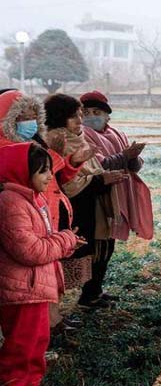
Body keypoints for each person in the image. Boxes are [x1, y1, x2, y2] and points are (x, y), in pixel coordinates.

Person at [0, 143, 84, 386]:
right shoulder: (10, 203)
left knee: (37, 344)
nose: (50, 176)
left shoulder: (32, 198)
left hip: (35, 287)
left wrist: (66, 242)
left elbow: (44, 242)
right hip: (22, 291)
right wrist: (65, 240)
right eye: (43, 171)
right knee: (21, 347)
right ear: (22, 172)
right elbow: (31, 251)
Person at [0, 90, 93, 331]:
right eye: (23, 117)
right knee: (31, 274)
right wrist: (57, 155)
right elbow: (28, 180)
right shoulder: (7, 149)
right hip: (25, 220)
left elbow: (53, 180)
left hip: (46, 214)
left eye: (34, 116)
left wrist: (72, 162)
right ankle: (42, 324)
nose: (30, 122)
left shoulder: (33, 143)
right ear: (7, 118)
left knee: (48, 270)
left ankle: (52, 318)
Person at [43, 94, 126, 309]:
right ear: (59, 117)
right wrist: (100, 180)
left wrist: (102, 178)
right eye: (75, 116)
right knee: (90, 252)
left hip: (92, 201)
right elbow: (66, 183)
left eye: (80, 115)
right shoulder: (56, 141)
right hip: (76, 207)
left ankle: (93, 292)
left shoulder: (77, 137)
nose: (81, 120)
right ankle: (84, 297)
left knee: (102, 248)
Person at [79, 90, 154, 304]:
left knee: (109, 245)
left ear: (107, 116)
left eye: (96, 112)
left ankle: (96, 290)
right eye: (86, 112)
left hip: (118, 194)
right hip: (98, 197)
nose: (91, 117)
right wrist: (124, 156)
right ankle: (89, 294)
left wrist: (133, 157)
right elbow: (98, 165)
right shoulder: (82, 136)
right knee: (98, 246)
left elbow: (133, 167)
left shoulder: (116, 134)